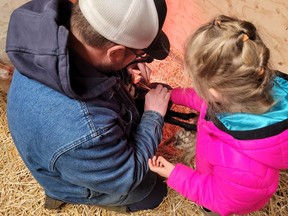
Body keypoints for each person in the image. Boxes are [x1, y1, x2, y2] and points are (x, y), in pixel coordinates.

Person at [6, 0, 171, 213]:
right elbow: (127, 176)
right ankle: (63, 195)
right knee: (151, 190)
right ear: (116, 52)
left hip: (70, 143)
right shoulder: (86, 129)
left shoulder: (47, 40)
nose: (142, 59)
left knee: (161, 92)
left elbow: (99, 55)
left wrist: (124, 65)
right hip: (75, 169)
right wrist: (153, 116)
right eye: (139, 54)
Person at [149, 15, 288, 216]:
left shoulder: (239, 164)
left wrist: (174, 174)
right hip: (221, 166)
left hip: (220, 196)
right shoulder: (249, 89)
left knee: (209, 210)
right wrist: (174, 95)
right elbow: (204, 102)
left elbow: (218, 199)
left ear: (214, 91)